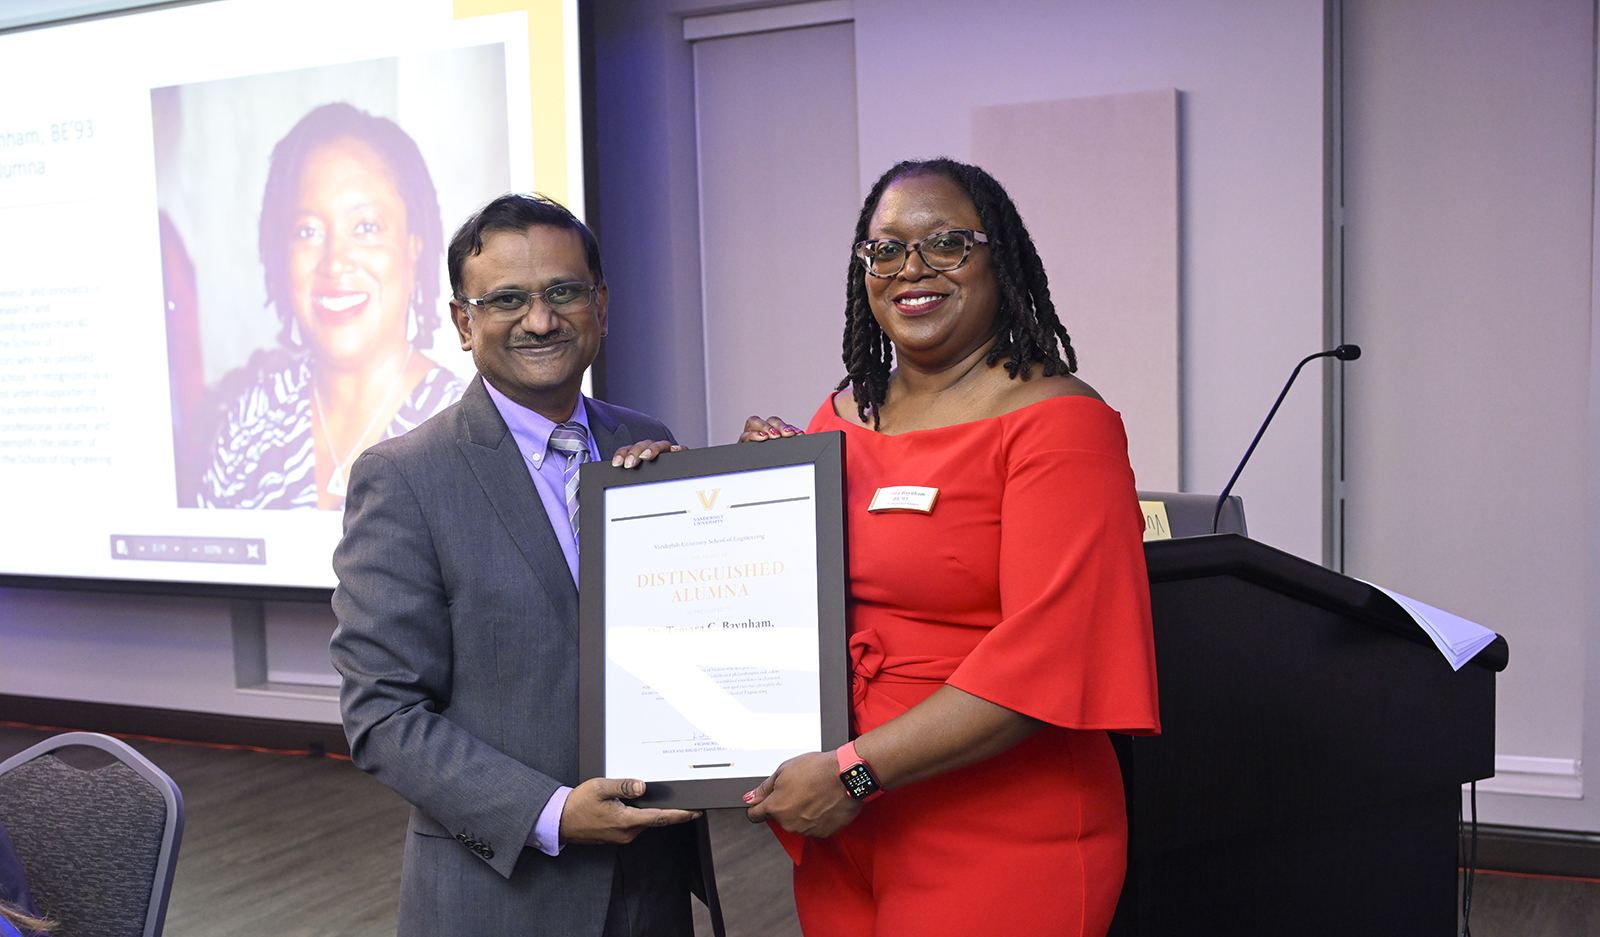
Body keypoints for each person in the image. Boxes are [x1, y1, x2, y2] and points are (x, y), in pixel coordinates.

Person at [740, 158, 1161, 937]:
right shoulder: (840, 416)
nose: (912, 270)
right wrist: (741, 495)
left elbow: (1053, 656)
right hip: (846, 829)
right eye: (886, 249)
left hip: (1000, 828)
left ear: (998, 256)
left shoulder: (1060, 423)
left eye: (946, 244)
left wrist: (855, 770)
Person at [329, 193, 703, 937]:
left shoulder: (648, 441)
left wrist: (728, 508)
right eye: (507, 299)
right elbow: (382, 714)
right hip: (503, 898)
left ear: (601, 304)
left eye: (563, 292)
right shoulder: (404, 477)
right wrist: (552, 812)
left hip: (653, 885)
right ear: (464, 323)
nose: (540, 320)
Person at [197, 102, 465, 510]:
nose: (335, 261)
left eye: (366, 227)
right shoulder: (251, 422)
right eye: (308, 230)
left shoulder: (470, 434)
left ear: (412, 249)